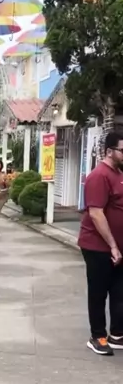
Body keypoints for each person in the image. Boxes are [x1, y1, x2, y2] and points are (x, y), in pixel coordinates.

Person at [78, 131, 123, 355]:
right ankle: (97, 336)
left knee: (119, 291)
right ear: (109, 151)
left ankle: (117, 334)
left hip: (118, 247)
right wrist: (113, 245)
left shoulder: (119, 174)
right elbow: (96, 214)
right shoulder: (99, 176)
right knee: (99, 292)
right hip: (97, 246)